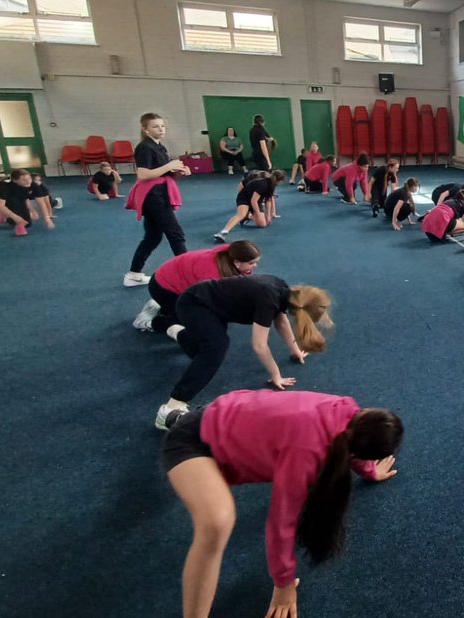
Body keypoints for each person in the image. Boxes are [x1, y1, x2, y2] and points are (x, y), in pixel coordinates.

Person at [161, 389, 403, 618]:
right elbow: (281, 523)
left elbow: (351, 444)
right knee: (217, 522)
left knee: (220, 518)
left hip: (220, 417)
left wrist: (369, 471)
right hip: (193, 443)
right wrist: (283, 584)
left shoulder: (348, 412)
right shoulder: (307, 452)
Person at [154, 275, 331, 429]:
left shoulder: (283, 290)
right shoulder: (268, 299)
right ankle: (171, 407)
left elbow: (281, 321)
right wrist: (276, 374)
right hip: (194, 304)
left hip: (212, 307)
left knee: (199, 351)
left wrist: (295, 350)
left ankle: (168, 326)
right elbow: (259, 346)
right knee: (215, 348)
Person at [133, 240, 260, 334]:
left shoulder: (233, 253)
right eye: (251, 263)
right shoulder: (212, 274)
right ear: (237, 263)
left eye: (256, 262)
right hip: (163, 287)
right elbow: (212, 303)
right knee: (193, 325)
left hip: (171, 281)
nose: (255, 266)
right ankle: (147, 322)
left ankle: (163, 308)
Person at [124, 112, 190, 287]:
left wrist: (178, 171)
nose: (160, 129)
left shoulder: (160, 147)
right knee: (176, 234)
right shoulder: (144, 147)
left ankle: (133, 274)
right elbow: (143, 174)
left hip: (159, 193)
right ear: (145, 130)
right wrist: (170, 166)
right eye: (155, 126)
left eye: (162, 126)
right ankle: (188, 275)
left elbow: (162, 172)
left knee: (153, 237)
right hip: (153, 196)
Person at [214, 170, 284, 241]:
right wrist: (257, 213)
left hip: (257, 201)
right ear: (279, 181)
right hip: (244, 198)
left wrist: (268, 215)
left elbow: (268, 200)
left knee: (263, 224)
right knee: (241, 214)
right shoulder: (263, 184)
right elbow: (253, 201)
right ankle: (223, 232)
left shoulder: (271, 186)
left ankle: (248, 216)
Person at [0, 169, 43, 236]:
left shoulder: (28, 184)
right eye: (23, 180)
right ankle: (14, 222)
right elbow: (0, 205)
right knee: (14, 206)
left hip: (13, 197)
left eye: (29, 178)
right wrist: (16, 218)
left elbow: (25, 199)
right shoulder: (3, 187)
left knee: (27, 223)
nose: (28, 181)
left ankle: (3, 215)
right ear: (15, 180)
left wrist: (32, 210)